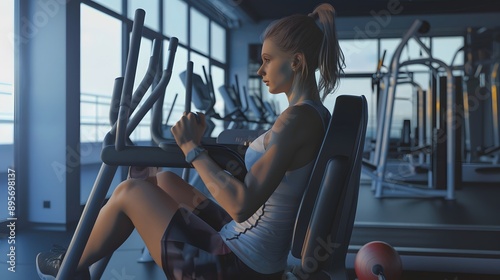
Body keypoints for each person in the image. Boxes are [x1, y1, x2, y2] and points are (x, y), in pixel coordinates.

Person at [36, 3, 344, 279]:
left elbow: (240, 205)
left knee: (130, 190)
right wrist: (214, 146)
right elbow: (274, 169)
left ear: (296, 62)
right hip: (251, 249)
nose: (261, 70)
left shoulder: (294, 120)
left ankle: (69, 266)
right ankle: (76, 262)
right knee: (165, 180)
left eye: (267, 60)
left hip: (238, 267)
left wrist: (192, 149)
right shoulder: (312, 114)